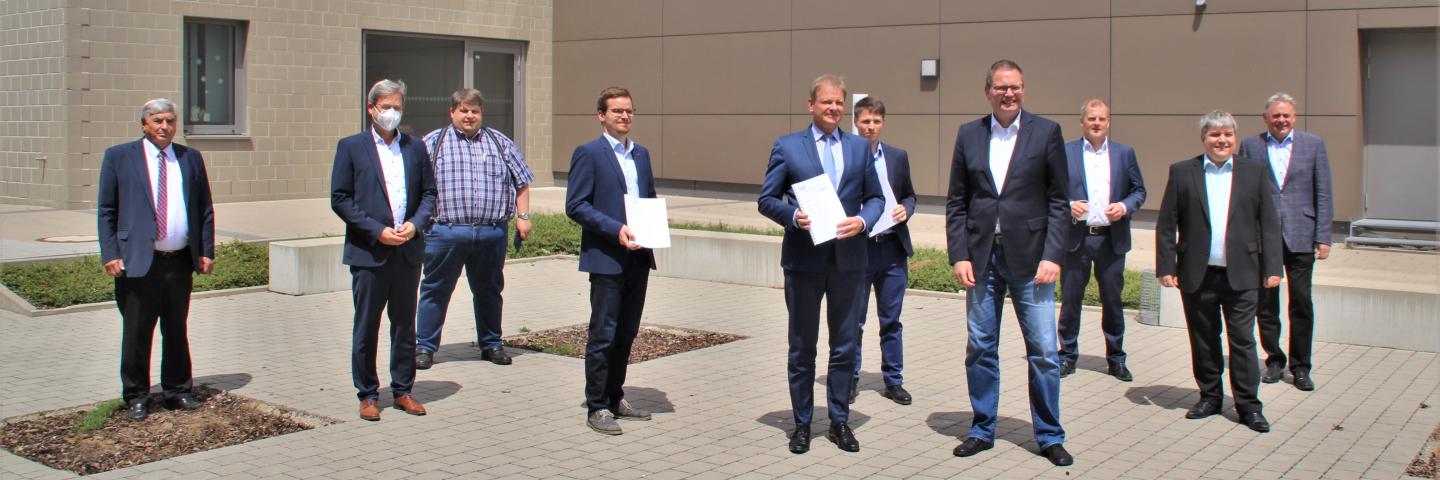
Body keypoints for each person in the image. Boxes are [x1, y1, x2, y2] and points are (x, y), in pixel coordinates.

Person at [944, 60, 1072, 466]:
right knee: (981, 347)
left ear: (1024, 89)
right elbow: (957, 202)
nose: (1008, 94)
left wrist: (1053, 255)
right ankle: (982, 428)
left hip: (1033, 261)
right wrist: (959, 253)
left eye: (1014, 87)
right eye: (1000, 88)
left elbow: (1058, 201)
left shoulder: (1047, 132)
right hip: (982, 259)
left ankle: (1049, 435)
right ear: (987, 91)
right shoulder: (969, 134)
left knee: (1045, 352)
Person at [758, 74, 883, 454]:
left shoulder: (860, 148)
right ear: (811, 105)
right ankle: (801, 424)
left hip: (849, 260)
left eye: (838, 103)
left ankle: (840, 421)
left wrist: (862, 221)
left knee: (844, 346)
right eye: (826, 102)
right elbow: (766, 198)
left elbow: (876, 198)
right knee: (803, 346)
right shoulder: (788, 146)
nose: (833, 108)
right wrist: (793, 216)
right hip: (804, 260)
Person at [1155, 110, 1282, 434]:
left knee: (1242, 341)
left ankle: (1249, 406)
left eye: (1227, 134)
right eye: (1215, 134)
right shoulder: (1183, 172)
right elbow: (1167, 224)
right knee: (1204, 340)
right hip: (1198, 275)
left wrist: (1273, 267)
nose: (1221, 140)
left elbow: (1268, 223)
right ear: (1204, 138)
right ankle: (1210, 397)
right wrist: (1166, 266)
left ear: (1234, 138)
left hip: (1243, 274)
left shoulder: (1253, 172)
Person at [97, 98, 216, 421]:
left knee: (176, 328)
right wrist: (110, 253)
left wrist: (205, 250)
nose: (165, 127)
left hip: (178, 261)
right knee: (137, 331)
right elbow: (107, 210)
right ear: (144, 125)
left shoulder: (189, 158)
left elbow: (204, 207)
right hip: (138, 261)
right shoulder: (120, 158)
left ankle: (177, 390)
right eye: (157, 121)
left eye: (170, 121)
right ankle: (136, 395)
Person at [330, 79, 437, 421]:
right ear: (371, 108)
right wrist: (376, 231)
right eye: (385, 106)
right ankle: (368, 395)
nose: (391, 113)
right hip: (369, 252)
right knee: (367, 325)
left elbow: (429, 195)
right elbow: (341, 198)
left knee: (405, 324)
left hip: (407, 250)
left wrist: (415, 224)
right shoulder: (351, 147)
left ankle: (403, 390)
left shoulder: (415, 148)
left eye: (397, 106)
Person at [414, 88, 535, 370]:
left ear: (481, 114)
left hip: (490, 232)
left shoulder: (499, 142)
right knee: (435, 290)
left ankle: (491, 344)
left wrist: (524, 215)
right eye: (464, 111)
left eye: (475, 111)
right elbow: (415, 186)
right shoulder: (432, 143)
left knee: (489, 290)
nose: (470, 116)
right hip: (446, 232)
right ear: (452, 113)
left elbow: (522, 182)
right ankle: (424, 347)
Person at [565, 86, 658, 436]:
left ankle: (615, 395)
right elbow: (575, 205)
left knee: (627, 332)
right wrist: (614, 228)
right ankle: (597, 405)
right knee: (603, 334)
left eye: (629, 111)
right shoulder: (588, 153)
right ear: (601, 115)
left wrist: (654, 229)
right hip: (606, 257)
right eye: (617, 111)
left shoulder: (641, 155)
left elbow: (647, 199)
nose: (624, 116)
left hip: (638, 257)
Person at [1238, 93, 1333, 392]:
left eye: (1286, 115)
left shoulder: (1313, 144)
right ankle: (1274, 360)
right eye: (1275, 115)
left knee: (1301, 302)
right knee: (1266, 303)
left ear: (1295, 117)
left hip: (1302, 233)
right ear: (1265, 118)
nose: (1281, 120)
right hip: (1263, 236)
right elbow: (1243, 192)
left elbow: (1324, 192)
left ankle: (1301, 366)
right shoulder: (1251, 146)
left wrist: (1324, 236)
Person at [1058, 99, 1146, 382]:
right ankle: (1067, 356)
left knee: (1113, 301)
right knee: (1071, 300)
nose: (1097, 123)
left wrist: (1124, 207)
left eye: (1102, 119)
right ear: (1082, 121)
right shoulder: (1065, 152)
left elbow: (1139, 190)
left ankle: (1116, 358)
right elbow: (1051, 190)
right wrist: (1068, 204)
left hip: (1111, 239)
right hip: (1076, 239)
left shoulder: (1124, 153)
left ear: (1108, 123)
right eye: (1091, 118)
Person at [849, 96, 916, 406]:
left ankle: (893, 380)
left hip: (892, 249)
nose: (870, 127)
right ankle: (849, 378)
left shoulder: (898, 157)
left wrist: (906, 209)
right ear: (856, 122)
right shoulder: (847, 156)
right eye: (865, 121)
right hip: (859, 249)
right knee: (854, 319)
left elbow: (910, 196)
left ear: (883, 123)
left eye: (876, 121)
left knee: (891, 320)